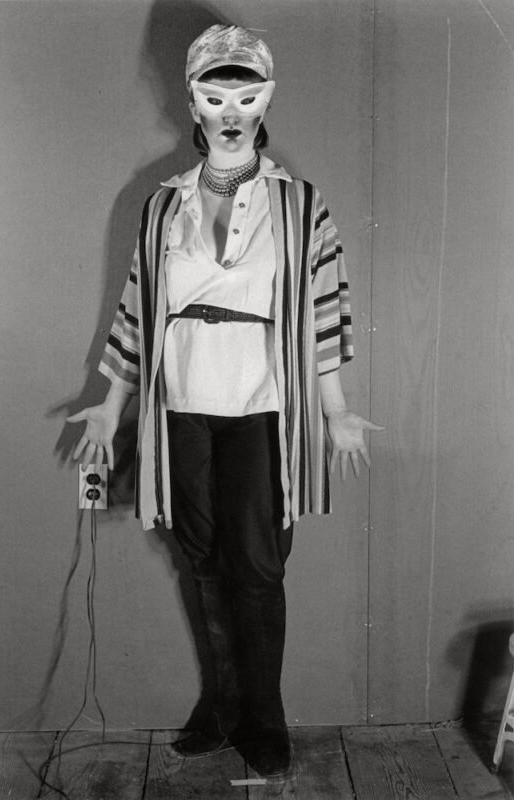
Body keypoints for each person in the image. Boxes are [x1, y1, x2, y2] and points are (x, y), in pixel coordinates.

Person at [68, 24, 382, 781]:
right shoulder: (163, 205)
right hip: (181, 406)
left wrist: (336, 410)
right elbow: (137, 309)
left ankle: (264, 720)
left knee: (260, 567)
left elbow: (323, 310)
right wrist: (110, 406)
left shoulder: (301, 205)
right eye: (215, 97)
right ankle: (223, 708)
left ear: (265, 101)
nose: (231, 113)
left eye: (246, 96)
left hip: (263, 408)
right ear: (193, 105)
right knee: (204, 561)